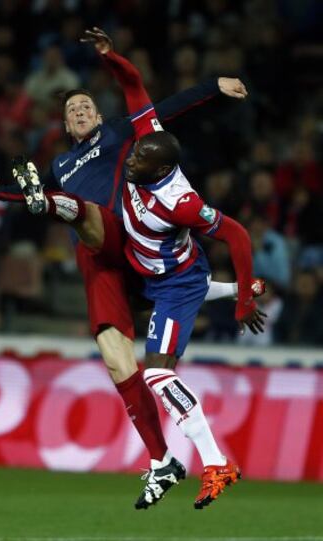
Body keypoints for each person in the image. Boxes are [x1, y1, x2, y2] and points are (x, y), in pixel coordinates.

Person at [0, 29, 264, 508]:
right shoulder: (62, 166)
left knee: (80, 211)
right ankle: (161, 461)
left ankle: (231, 292)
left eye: (86, 105)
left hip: (118, 230)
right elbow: (37, 197)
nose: (80, 112)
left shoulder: (121, 134)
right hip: (100, 256)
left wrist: (213, 86)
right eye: (72, 111)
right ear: (66, 128)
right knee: (115, 357)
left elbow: (164, 108)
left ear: (100, 114)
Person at [79, 28, 266, 509]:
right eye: (138, 152)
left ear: (161, 170)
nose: (133, 158)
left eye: (141, 159)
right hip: (147, 270)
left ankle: (216, 463)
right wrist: (111, 57)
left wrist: (245, 303)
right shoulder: (152, 142)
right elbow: (136, 88)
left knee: (158, 376)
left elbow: (238, 235)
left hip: (173, 284)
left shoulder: (182, 203)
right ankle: (229, 288)